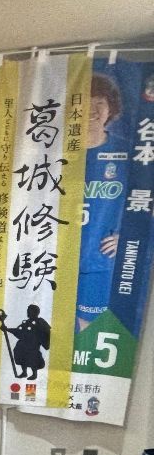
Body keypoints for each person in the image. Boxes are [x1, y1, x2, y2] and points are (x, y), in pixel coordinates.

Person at [76, 73, 128, 330]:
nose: (92, 109)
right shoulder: (54, 152)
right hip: (53, 258)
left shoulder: (126, 154)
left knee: (87, 329)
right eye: (86, 102)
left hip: (98, 261)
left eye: (100, 102)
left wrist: (128, 236)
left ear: (111, 108)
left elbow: (144, 203)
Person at [2, 304, 50, 380]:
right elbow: (18, 331)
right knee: (21, 355)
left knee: (33, 358)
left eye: (29, 311)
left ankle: (34, 374)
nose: (28, 312)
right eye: (28, 311)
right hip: (23, 344)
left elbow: (47, 331)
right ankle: (24, 372)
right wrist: (7, 329)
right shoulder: (26, 322)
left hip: (33, 345)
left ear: (34, 312)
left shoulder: (40, 321)